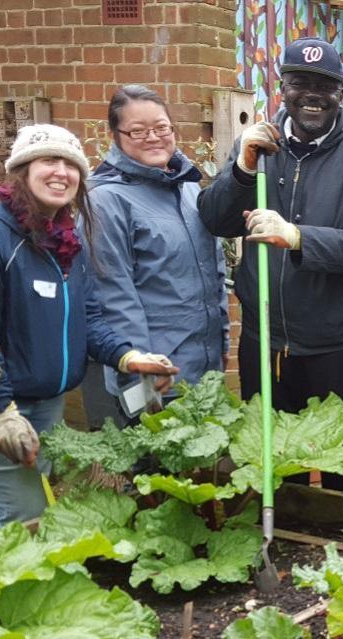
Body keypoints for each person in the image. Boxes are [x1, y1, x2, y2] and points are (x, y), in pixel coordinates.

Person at [197, 36, 343, 491]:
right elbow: (214, 219)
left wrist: (298, 236)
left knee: (338, 466)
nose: (312, 95)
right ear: (281, 87)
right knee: (272, 467)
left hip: (338, 345)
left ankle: (335, 552)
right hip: (267, 341)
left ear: (341, 92)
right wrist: (242, 170)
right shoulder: (259, 149)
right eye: (299, 82)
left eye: (324, 85)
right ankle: (280, 544)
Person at [0, 124, 177, 529]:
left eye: (71, 164)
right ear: (21, 170)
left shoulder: (65, 237)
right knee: (23, 510)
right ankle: (2, 589)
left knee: (30, 509)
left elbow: (89, 319)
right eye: (48, 161)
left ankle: (6, 585)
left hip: (47, 403)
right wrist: (1, 411)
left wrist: (129, 358)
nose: (61, 172)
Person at [87, 85, 229, 417]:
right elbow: (114, 295)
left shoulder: (188, 187)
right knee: (151, 467)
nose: (153, 137)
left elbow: (215, 266)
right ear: (116, 136)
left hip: (204, 367)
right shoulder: (106, 199)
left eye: (161, 127)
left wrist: (222, 340)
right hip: (155, 373)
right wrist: (140, 371)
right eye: (138, 131)